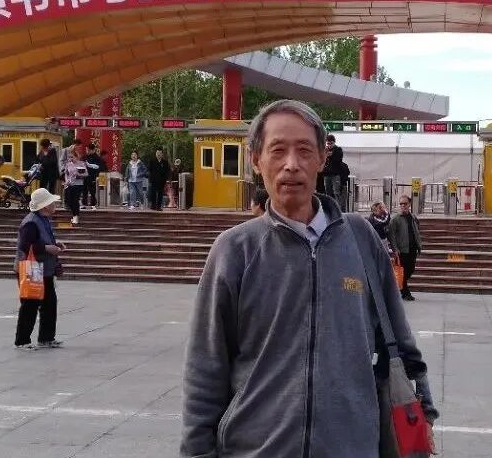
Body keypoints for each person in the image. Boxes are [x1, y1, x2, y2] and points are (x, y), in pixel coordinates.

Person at [180, 99, 437, 458]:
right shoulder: (234, 250)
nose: (291, 164)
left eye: (304, 150)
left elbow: (400, 340)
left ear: (321, 159)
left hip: (352, 448)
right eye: (277, 150)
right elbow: (205, 368)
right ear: (255, 160)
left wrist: (424, 415)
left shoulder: (360, 240)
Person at [14, 188, 65, 350]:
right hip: (32, 269)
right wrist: (47, 248)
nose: (54, 204)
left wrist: (54, 245)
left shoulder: (43, 219)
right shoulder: (31, 222)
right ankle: (22, 341)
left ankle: (46, 338)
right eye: (52, 202)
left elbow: (41, 240)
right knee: (30, 304)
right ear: (45, 206)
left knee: (49, 303)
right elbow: (25, 245)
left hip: (44, 268)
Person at [389, 194, 422, 301]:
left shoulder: (413, 217)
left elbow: (416, 231)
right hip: (402, 250)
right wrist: (395, 249)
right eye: (401, 204)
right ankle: (405, 293)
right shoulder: (395, 219)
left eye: (405, 203)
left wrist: (419, 245)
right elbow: (391, 235)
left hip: (412, 248)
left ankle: (398, 288)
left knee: (411, 269)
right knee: (402, 271)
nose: (403, 205)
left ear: (409, 204)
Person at [63, 148, 89, 225]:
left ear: (76, 157)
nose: (71, 159)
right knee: (69, 200)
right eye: (69, 157)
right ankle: (74, 214)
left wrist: (79, 174)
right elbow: (66, 173)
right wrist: (66, 180)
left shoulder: (81, 164)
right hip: (70, 184)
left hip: (78, 184)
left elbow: (86, 174)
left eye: (72, 157)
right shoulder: (68, 164)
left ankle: (76, 216)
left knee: (75, 200)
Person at [81, 143, 106, 209]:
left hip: (93, 176)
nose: (87, 151)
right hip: (85, 176)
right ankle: (84, 204)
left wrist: (90, 166)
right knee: (84, 190)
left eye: (88, 150)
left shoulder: (97, 158)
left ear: (93, 150)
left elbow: (99, 168)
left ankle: (93, 204)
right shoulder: (84, 157)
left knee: (92, 191)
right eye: (86, 150)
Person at [322, 134, 344, 205]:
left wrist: (331, 155)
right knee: (328, 193)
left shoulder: (338, 150)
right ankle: (330, 208)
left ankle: (338, 208)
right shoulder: (325, 150)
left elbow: (338, 160)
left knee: (336, 192)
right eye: (328, 143)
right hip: (326, 175)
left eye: (331, 143)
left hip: (335, 175)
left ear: (334, 142)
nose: (329, 145)